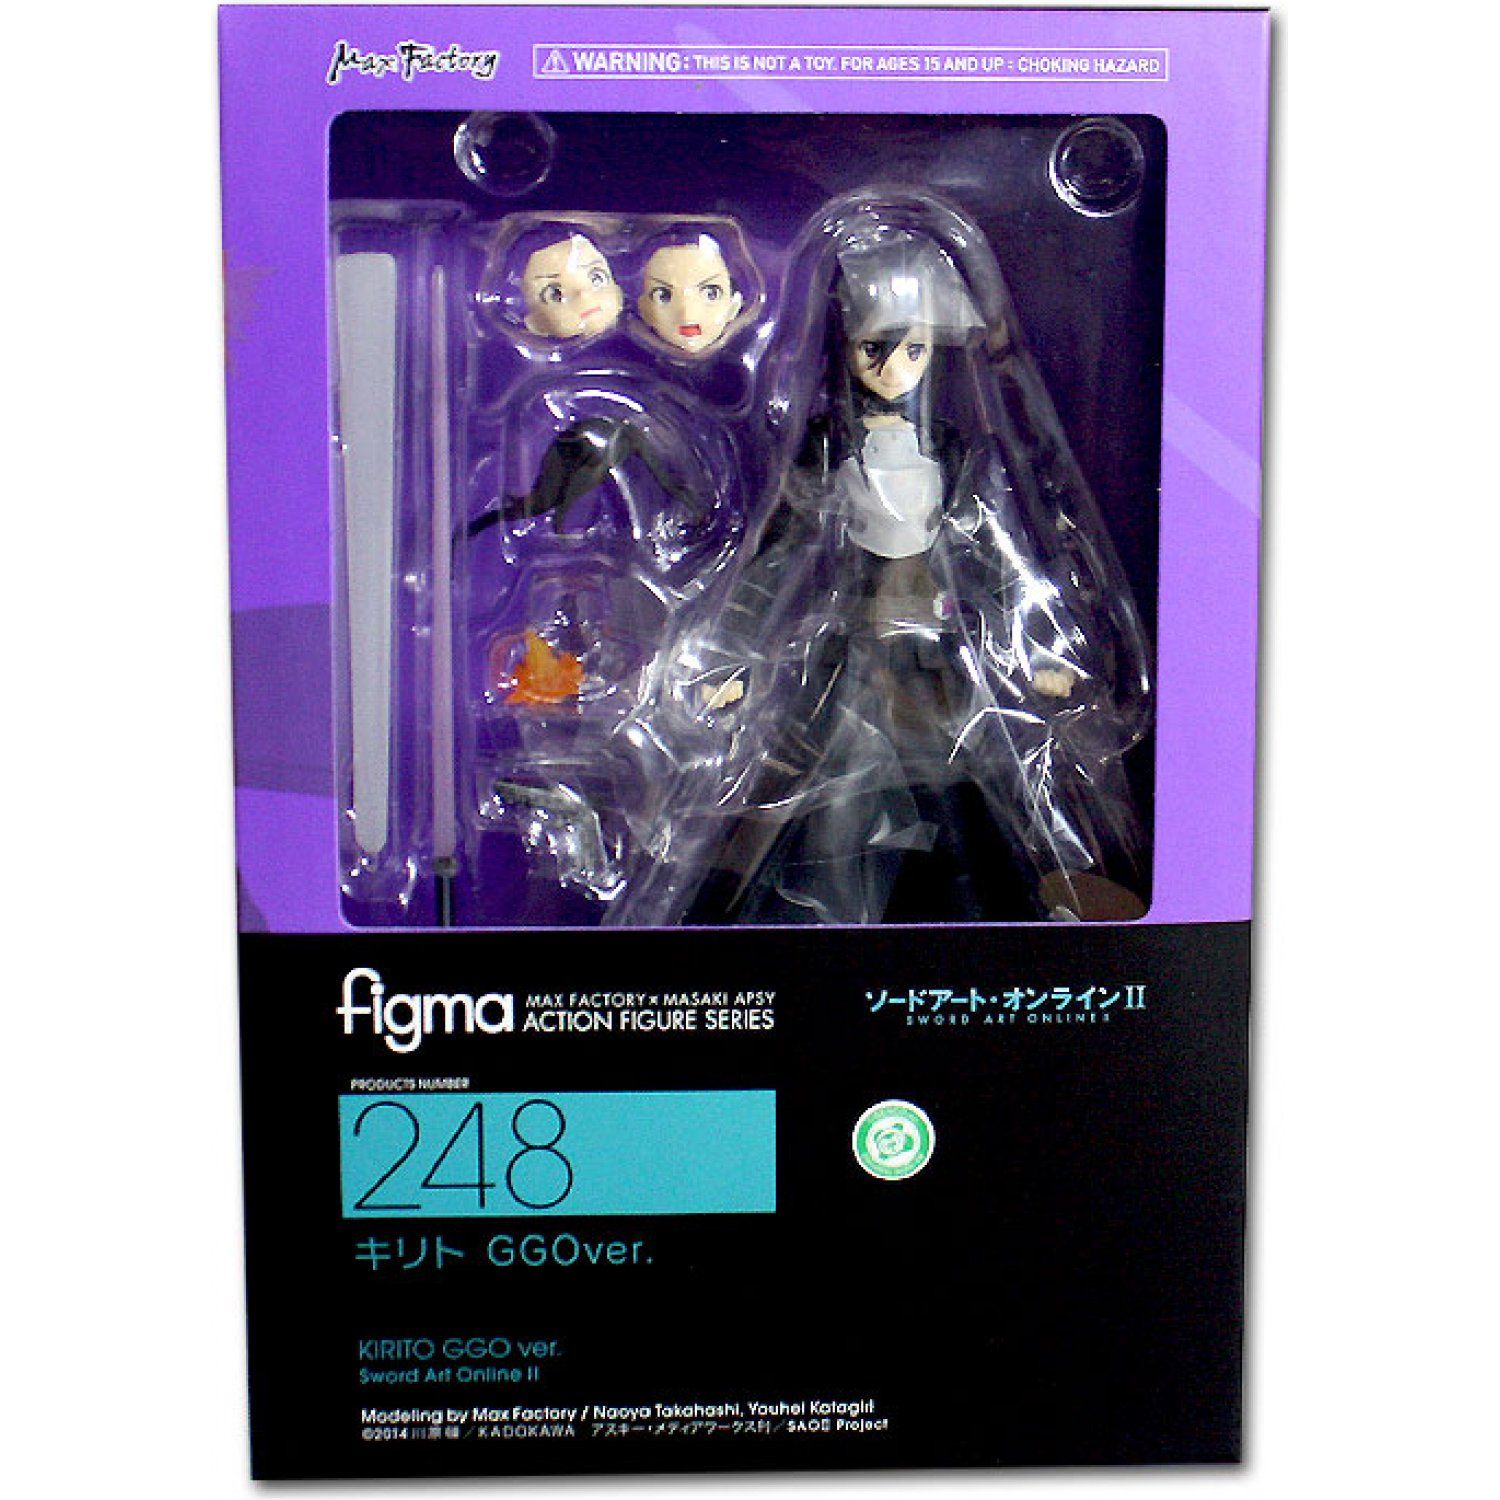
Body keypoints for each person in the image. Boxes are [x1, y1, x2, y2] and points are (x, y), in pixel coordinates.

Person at [605, 203, 1151, 926]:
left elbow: (995, 555)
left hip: (942, 653)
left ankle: (1015, 908)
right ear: (846, 349)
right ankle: (751, 922)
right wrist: (731, 658)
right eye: (874, 350)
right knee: (801, 795)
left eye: (912, 352)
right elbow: (775, 560)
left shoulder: (954, 452)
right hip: (849, 650)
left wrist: (1040, 657)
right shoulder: (826, 449)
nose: (893, 369)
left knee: (986, 793)